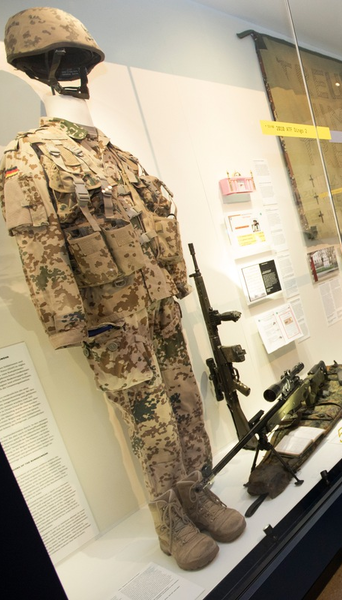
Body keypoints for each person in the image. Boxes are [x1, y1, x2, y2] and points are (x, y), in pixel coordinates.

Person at [1, 8, 245, 571]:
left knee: (186, 407)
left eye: (81, 61)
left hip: (157, 311)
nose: (76, 73)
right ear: (39, 68)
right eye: (64, 61)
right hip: (113, 325)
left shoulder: (114, 154)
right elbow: (39, 249)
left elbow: (157, 221)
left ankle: (198, 493)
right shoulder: (29, 156)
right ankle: (171, 522)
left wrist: (174, 287)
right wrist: (69, 324)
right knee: (149, 424)